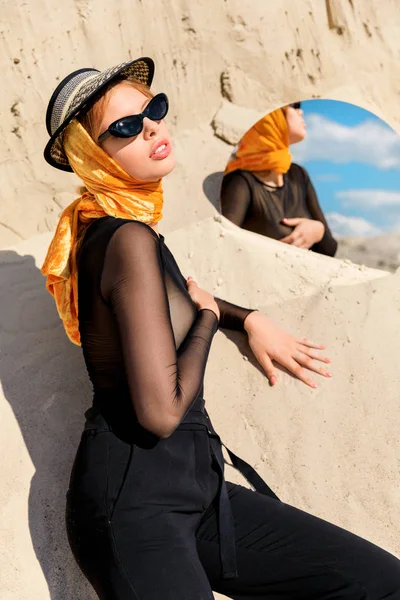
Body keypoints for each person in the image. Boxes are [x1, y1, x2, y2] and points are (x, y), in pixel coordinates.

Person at [41, 58, 400, 599]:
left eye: (154, 110)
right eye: (125, 127)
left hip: (200, 494)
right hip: (133, 509)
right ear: (93, 155)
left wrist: (245, 316)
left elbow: (175, 300)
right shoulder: (123, 240)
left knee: (379, 582)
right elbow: (161, 411)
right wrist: (210, 320)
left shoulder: (126, 234)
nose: (154, 128)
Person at [220, 103, 338, 256]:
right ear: (270, 117)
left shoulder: (298, 175)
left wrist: (318, 230)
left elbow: (330, 250)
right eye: (294, 106)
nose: (301, 112)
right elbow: (223, 246)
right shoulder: (239, 181)